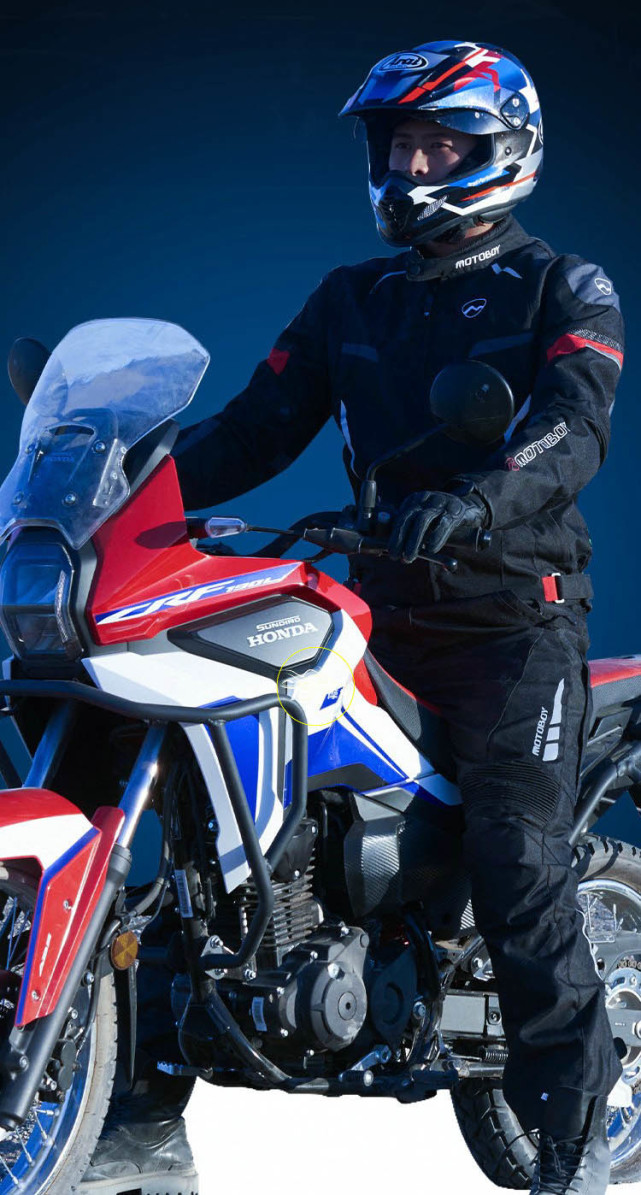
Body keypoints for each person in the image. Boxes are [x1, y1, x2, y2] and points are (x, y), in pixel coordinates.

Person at [81, 40, 625, 1195]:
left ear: (499, 152)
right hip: (372, 614)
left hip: (507, 628)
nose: (410, 165)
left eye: (437, 144)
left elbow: (569, 427)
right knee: (194, 834)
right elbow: (250, 429)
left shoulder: (562, 287)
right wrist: (118, 488)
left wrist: (476, 500)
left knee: (517, 860)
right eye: (397, 144)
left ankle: (572, 1144)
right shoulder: (350, 299)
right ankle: (137, 1126)